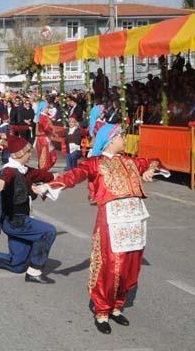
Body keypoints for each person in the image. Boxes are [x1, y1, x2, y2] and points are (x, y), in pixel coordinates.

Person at [33, 124, 168, 334]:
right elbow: (74, 175)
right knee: (111, 265)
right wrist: (50, 185)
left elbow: (155, 160)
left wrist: (150, 169)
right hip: (111, 221)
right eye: (122, 136)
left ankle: (116, 306)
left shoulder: (131, 161)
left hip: (135, 221)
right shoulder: (95, 163)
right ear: (111, 140)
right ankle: (102, 311)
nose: (125, 139)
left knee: (130, 264)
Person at [0, 135, 57, 284]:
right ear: (18, 154)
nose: (30, 154)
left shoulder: (25, 170)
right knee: (49, 231)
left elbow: (43, 175)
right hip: (15, 221)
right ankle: (35, 270)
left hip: (20, 220)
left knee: (18, 265)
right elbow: (7, 176)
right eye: (28, 152)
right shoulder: (9, 171)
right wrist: (2, 181)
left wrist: (58, 177)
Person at [34, 100, 57, 170]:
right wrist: (54, 131)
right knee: (44, 156)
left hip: (45, 138)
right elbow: (46, 127)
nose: (48, 109)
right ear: (43, 108)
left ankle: (44, 169)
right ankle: (43, 170)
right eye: (47, 108)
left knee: (50, 155)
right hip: (43, 139)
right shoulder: (42, 117)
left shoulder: (44, 116)